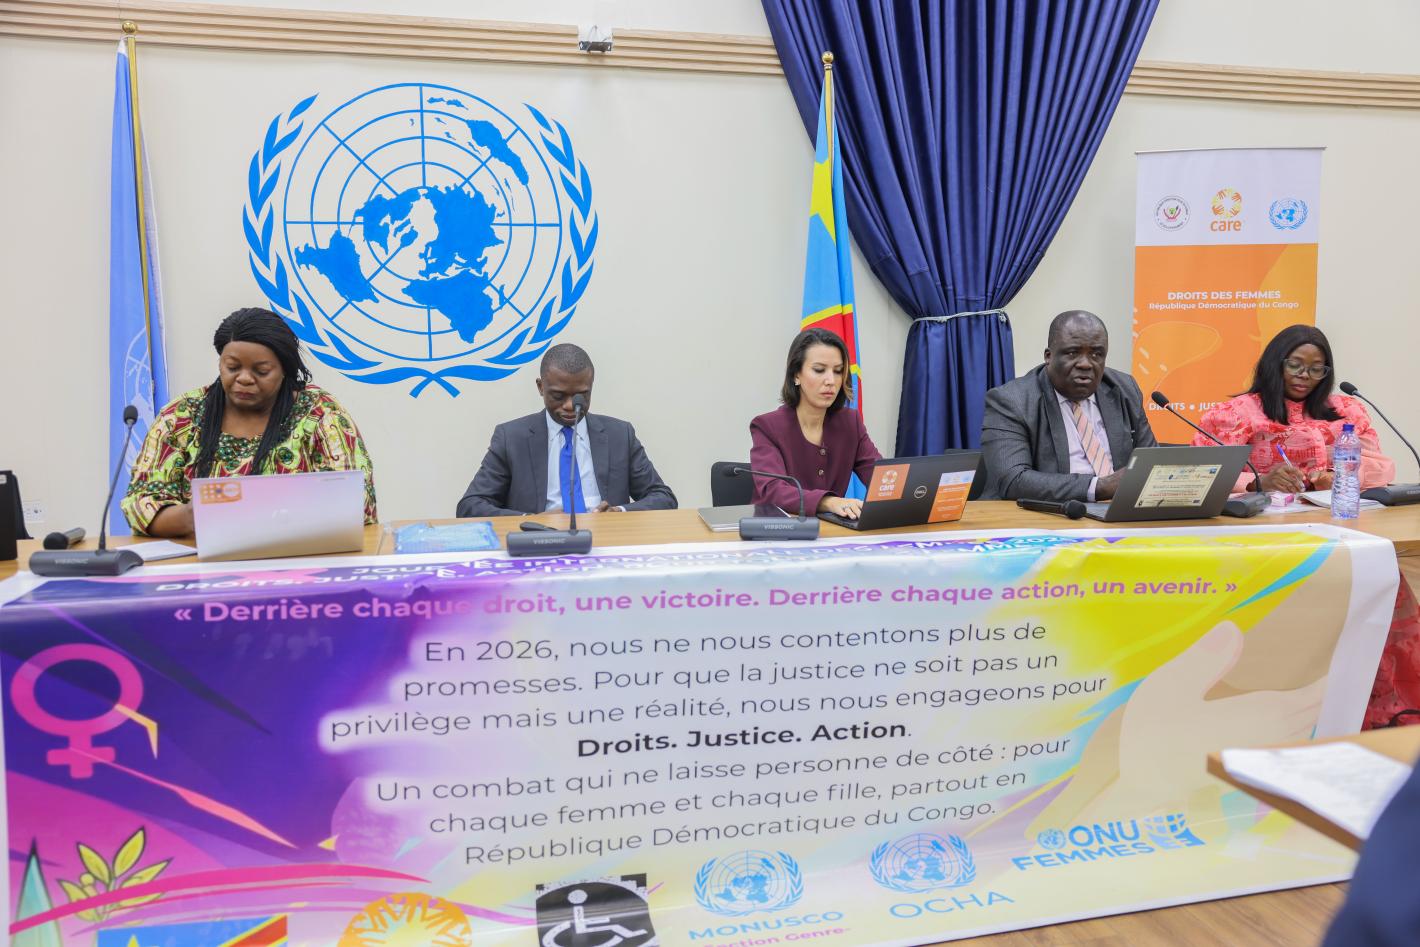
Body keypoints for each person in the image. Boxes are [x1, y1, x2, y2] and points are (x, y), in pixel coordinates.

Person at [121, 307, 377, 536]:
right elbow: (140, 504)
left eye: (261, 371)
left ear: (284, 370)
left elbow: (356, 501)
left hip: (302, 563)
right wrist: (196, 516)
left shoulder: (320, 414)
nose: (244, 378)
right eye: (232, 367)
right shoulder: (181, 417)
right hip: (199, 567)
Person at [456, 344, 676, 517]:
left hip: (608, 541)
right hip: (539, 546)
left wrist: (619, 513)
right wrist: (532, 519)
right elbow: (470, 506)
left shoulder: (620, 435)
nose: (570, 406)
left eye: (581, 395)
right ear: (541, 387)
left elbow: (663, 498)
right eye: (558, 396)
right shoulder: (511, 438)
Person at [1193, 324, 1395, 493]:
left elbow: (1381, 467)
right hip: (1258, 525)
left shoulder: (1348, 412)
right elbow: (1198, 474)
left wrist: (1338, 476)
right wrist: (1258, 482)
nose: (1305, 375)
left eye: (1316, 369)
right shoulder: (1234, 414)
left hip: (1331, 518)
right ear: (1275, 365)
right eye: (1294, 365)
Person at [980, 310, 1157, 501]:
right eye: (1073, 353)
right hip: (1045, 517)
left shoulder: (1124, 389)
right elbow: (1013, 480)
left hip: (1117, 513)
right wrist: (1099, 487)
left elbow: (1153, 464)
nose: (1085, 364)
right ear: (1048, 356)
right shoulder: (1012, 401)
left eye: (1097, 354)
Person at [749, 327, 881, 519]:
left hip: (832, 537)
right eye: (819, 370)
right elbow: (773, 491)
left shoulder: (850, 423)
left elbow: (881, 478)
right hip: (777, 534)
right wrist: (829, 502)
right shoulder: (767, 427)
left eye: (837, 371)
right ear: (796, 375)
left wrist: (919, 490)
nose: (831, 381)